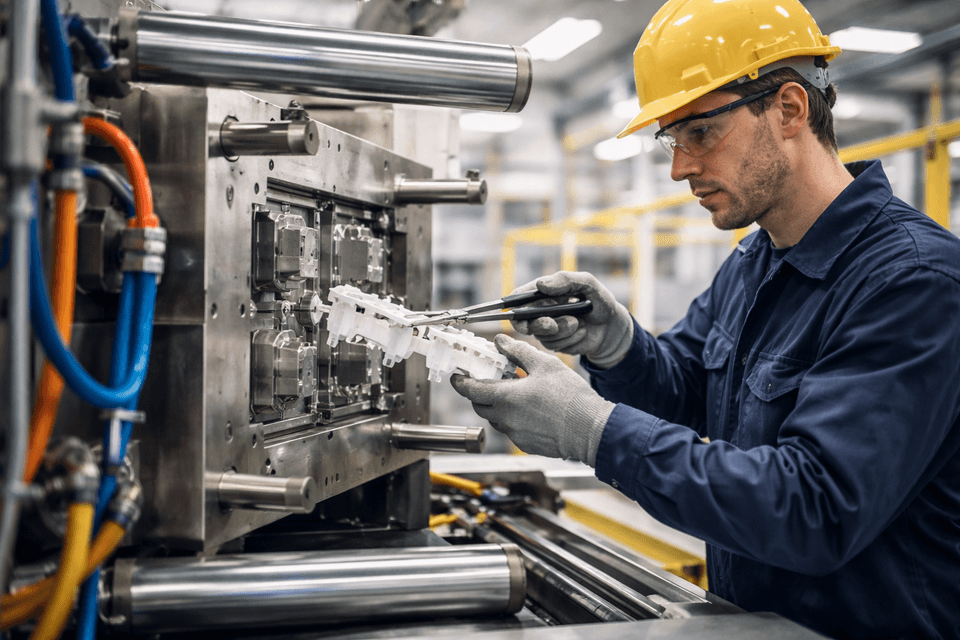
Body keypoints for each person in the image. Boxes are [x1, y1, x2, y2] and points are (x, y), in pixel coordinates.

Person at [450, 0, 960, 638]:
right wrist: (620, 347)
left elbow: (816, 508)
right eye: (672, 138)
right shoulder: (755, 259)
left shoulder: (913, 282)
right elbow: (690, 392)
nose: (679, 167)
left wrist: (591, 431)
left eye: (699, 132)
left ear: (790, 110)